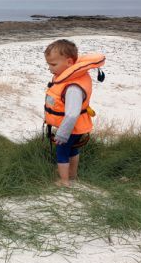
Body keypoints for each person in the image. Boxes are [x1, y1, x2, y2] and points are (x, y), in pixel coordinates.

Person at [43, 39, 105, 187]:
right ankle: (73, 175)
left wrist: (62, 133)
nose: (50, 69)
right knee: (73, 149)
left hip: (70, 128)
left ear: (69, 63)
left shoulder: (73, 88)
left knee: (62, 152)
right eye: (48, 64)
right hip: (76, 127)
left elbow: (71, 114)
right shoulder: (73, 77)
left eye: (53, 64)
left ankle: (64, 181)